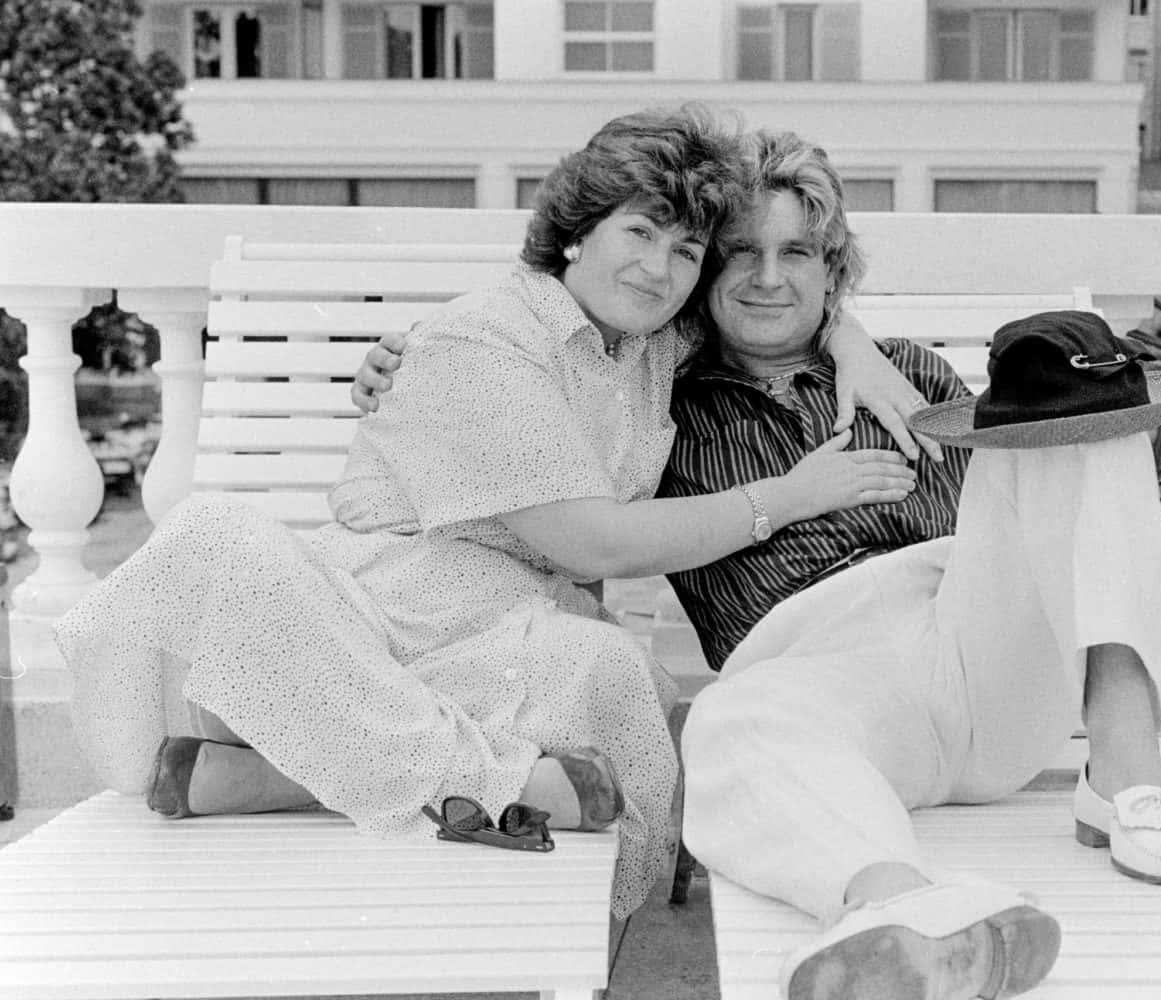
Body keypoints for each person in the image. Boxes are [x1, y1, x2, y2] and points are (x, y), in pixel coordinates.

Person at [355, 128, 1161, 999]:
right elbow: (531, 392)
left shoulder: (908, 374)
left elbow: (1055, 533)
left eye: (797, 251)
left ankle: (1127, 770)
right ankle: (900, 913)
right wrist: (406, 361)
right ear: (702, 278)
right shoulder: (660, 393)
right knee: (726, 723)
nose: (769, 278)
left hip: (975, 635)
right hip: (817, 680)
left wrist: (853, 342)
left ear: (833, 272)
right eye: (740, 253)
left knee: (1069, 379)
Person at [53, 105, 923, 921]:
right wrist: (793, 496)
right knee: (218, 539)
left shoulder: (653, 337)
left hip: (504, 628)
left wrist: (854, 345)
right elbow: (592, 539)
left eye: (688, 249)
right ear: (577, 232)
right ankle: (493, 785)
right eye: (640, 232)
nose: (662, 267)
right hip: (364, 620)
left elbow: (774, 305)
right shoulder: (483, 341)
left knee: (610, 677)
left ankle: (270, 779)